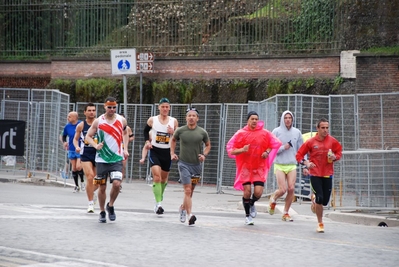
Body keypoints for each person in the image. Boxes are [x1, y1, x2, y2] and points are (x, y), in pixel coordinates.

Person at [226, 111, 281, 225]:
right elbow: (230, 149)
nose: (255, 121)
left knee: (258, 192)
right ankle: (247, 216)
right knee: (247, 191)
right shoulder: (241, 133)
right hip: (245, 167)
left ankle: (251, 203)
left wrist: (266, 151)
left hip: (259, 167)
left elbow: (274, 144)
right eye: (252, 119)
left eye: (256, 119)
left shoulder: (265, 133)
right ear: (248, 120)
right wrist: (242, 150)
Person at [85, 97, 129, 223]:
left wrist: (125, 148)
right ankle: (102, 211)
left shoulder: (121, 120)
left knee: (116, 183)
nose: (112, 109)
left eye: (114, 107)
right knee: (102, 187)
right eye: (109, 107)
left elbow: (126, 133)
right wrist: (95, 145)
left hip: (116, 158)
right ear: (105, 107)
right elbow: (88, 136)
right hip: (102, 159)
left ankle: (111, 205)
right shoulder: (99, 121)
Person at [296, 118, 342, 233]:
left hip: (327, 174)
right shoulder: (311, 142)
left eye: (327, 128)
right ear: (317, 128)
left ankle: (314, 201)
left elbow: (339, 152)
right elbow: (299, 155)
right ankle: (320, 223)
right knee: (320, 198)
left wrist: (335, 157)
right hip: (315, 174)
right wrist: (306, 163)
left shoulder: (332, 141)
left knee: (325, 201)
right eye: (323, 128)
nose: (325, 130)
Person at [170, 107, 211, 226]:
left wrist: (204, 155)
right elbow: (173, 140)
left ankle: (183, 208)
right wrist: (172, 153)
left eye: (194, 116)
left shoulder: (202, 132)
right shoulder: (180, 130)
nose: (191, 118)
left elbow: (208, 145)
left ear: (197, 118)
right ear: (186, 118)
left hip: (196, 165)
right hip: (183, 164)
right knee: (187, 190)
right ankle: (190, 215)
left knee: (190, 191)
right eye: (189, 116)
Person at [143, 97, 178, 215]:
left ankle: (159, 196)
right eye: (162, 107)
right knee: (157, 177)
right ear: (159, 107)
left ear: (169, 108)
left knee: (163, 179)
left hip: (167, 152)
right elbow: (144, 131)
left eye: (167, 107)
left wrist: (172, 133)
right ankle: (158, 204)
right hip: (155, 150)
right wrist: (147, 141)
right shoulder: (152, 120)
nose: (165, 109)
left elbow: (178, 137)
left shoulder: (174, 121)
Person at [269, 110, 303, 222]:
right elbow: (272, 149)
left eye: (290, 118)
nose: (288, 120)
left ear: (292, 120)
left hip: (292, 164)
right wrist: (284, 147)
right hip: (280, 164)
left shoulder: (297, 132)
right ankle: (273, 198)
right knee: (282, 189)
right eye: (286, 118)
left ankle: (286, 212)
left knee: (291, 188)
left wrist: (305, 163)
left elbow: (301, 150)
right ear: (282, 119)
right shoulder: (276, 131)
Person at [73, 103, 99, 213]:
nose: (91, 112)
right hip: (86, 154)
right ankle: (90, 203)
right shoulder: (81, 125)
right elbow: (75, 139)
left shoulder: (100, 124)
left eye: (93, 110)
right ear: (85, 112)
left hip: (98, 154)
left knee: (98, 180)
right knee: (90, 177)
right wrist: (77, 146)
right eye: (89, 110)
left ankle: (91, 193)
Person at [61, 111, 84, 193]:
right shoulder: (67, 126)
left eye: (69, 116)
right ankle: (76, 186)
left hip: (80, 148)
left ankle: (82, 181)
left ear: (75, 117)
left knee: (78, 167)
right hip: (71, 148)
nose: (68, 118)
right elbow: (64, 136)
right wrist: (64, 142)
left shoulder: (81, 124)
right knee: (74, 168)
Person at [120, 124, 134, 193]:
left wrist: (126, 139)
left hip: (124, 150)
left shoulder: (127, 128)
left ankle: (119, 184)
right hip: (115, 150)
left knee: (123, 168)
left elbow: (132, 137)